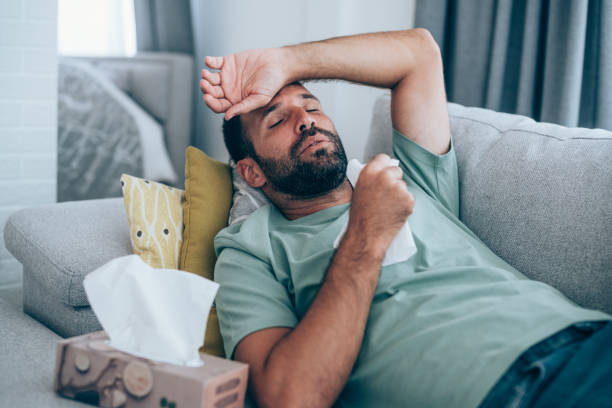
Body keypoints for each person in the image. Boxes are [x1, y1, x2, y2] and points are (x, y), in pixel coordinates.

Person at [200, 29, 611, 408]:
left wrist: (285, 63)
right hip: (519, 391)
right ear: (251, 172)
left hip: (591, 339)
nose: (306, 120)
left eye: (311, 106)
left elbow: (419, 54)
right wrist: (367, 233)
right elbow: (291, 396)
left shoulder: (405, 178)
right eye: (277, 119)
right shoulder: (249, 249)